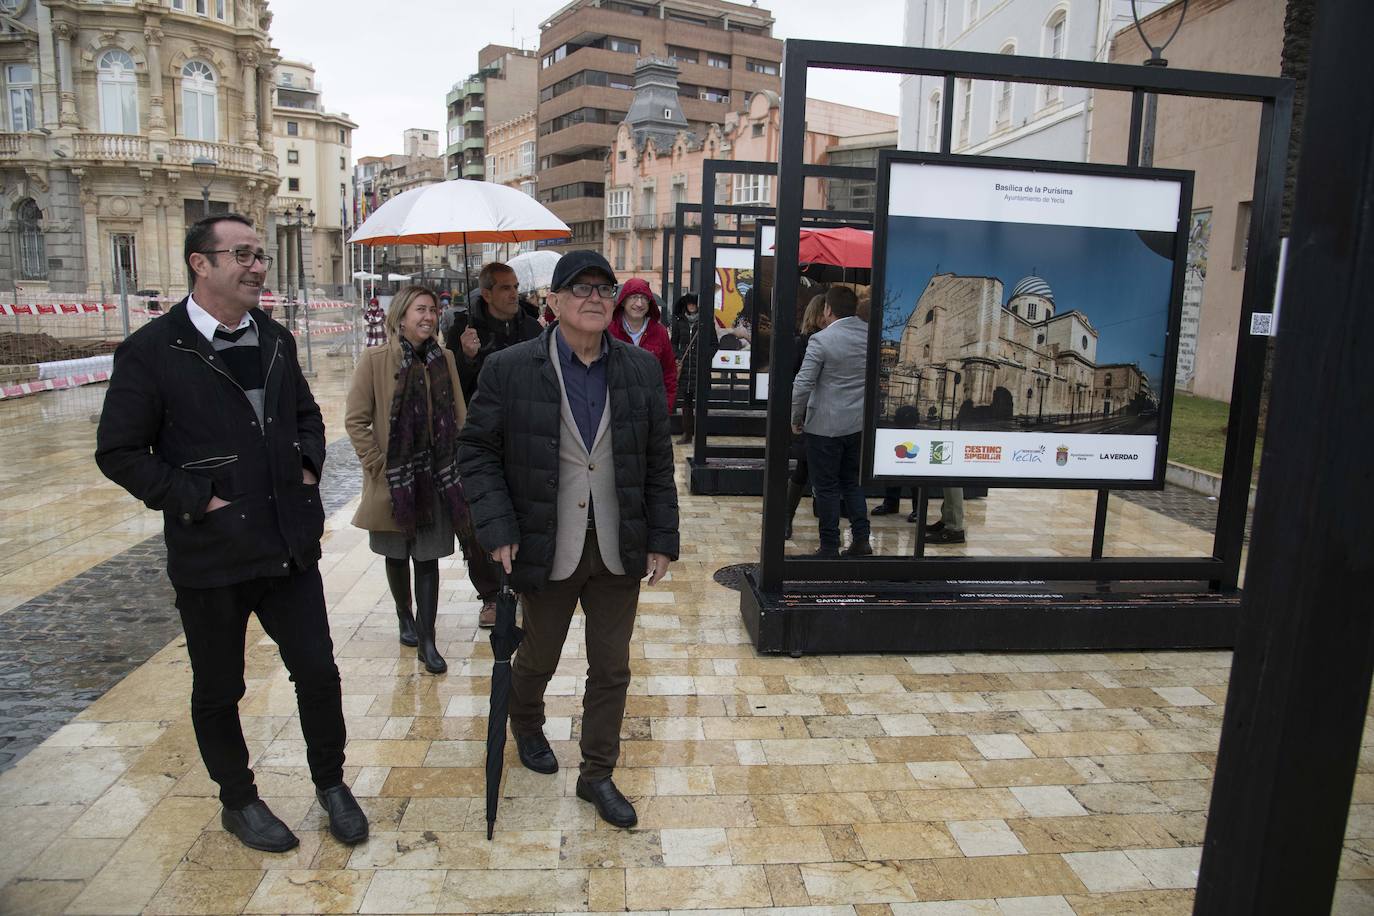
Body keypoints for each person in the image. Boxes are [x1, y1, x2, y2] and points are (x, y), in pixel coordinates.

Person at [94, 213, 367, 853]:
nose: (258, 266)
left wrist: (306, 464)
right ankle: (238, 800)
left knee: (318, 672)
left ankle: (331, 785)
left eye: (260, 254)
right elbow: (119, 450)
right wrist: (198, 499)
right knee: (220, 688)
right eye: (242, 254)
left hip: (286, 548)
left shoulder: (274, 338)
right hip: (211, 555)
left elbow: (305, 414)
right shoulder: (152, 350)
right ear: (201, 263)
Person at [457, 250, 679, 830]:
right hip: (544, 540)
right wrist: (497, 527)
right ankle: (526, 723)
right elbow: (475, 451)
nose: (594, 298)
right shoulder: (510, 368)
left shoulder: (638, 369)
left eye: (603, 288)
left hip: (616, 545)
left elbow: (658, 460)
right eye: (578, 289)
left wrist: (663, 537)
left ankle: (597, 773)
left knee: (612, 667)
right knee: (538, 655)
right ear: (552, 303)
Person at [345, 286, 468, 673]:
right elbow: (356, 420)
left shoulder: (444, 359)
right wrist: (379, 465)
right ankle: (404, 615)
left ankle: (428, 641)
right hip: (394, 482)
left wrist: (457, 463)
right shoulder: (376, 359)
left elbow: (461, 418)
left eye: (432, 310)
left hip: (434, 477)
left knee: (427, 558)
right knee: (397, 556)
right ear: (400, 316)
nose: (428, 316)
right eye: (420, 310)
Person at [444, 262, 541, 627]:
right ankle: (489, 595)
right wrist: (466, 358)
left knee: (524, 512)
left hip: (526, 435)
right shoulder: (463, 329)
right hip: (482, 438)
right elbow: (453, 386)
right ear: (486, 293)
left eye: (515, 286)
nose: (514, 293)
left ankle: (520, 586)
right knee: (478, 518)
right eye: (504, 287)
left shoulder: (532, 327)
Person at [790, 285, 871, 557]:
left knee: (825, 487)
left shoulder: (822, 340)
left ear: (828, 310)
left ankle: (828, 544)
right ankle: (862, 539)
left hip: (824, 426)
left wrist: (796, 416)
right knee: (852, 483)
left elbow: (803, 384)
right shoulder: (871, 337)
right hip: (858, 424)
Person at [784, 294, 828, 540]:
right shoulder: (801, 343)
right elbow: (794, 380)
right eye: (824, 312)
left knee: (819, 467)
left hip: (828, 412)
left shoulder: (834, 341)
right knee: (803, 466)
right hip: (807, 413)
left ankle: (818, 510)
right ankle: (786, 518)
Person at [609, 278, 677, 412]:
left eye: (644, 298)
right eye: (634, 297)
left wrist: (666, 407)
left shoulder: (660, 332)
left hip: (651, 411)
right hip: (616, 410)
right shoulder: (609, 331)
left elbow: (669, 373)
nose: (639, 303)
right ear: (623, 301)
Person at [671, 293, 700, 444]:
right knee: (686, 403)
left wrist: (704, 357)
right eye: (689, 304)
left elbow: (713, 344)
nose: (692, 306)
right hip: (684, 367)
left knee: (700, 403)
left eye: (694, 304)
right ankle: (687, 433)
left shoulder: (704, 322)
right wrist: (677, 355)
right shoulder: (679, 322)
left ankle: (700, 433)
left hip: (698, 368)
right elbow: (673, 342)